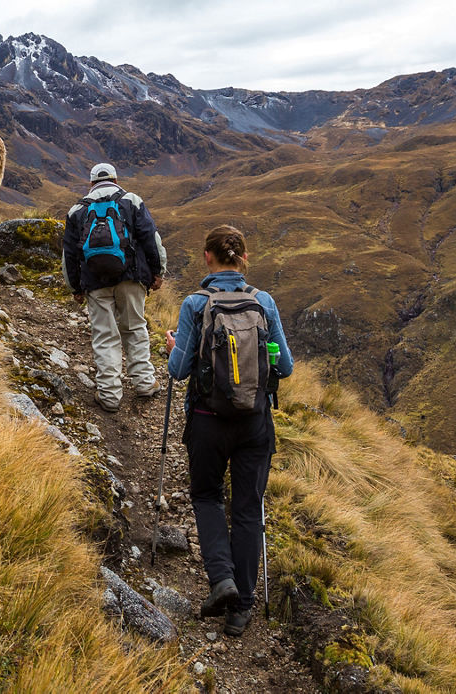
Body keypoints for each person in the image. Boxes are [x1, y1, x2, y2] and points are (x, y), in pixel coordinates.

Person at [165, 225, 293, 637]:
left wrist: (174, 349)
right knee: (247, 509)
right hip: (255, 423)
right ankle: (243, 607)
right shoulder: (264, 302)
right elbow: (286, 368)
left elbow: (178, 370)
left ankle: (221, 579)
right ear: (242, 258)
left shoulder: (195, 304)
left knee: (206, 496)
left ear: (208, 258)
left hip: (207, 421)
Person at [62, 162, 166, 412]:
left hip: (95, 282)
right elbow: (151, 238)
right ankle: (144, 383)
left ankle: (109, 395)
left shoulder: (77, 209)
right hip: (131, 278)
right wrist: (157, 271)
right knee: (135, 328)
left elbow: (68, 255)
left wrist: (75, 287)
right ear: (116, 180)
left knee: (105, 335)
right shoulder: (131, 201)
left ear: (91, 183)